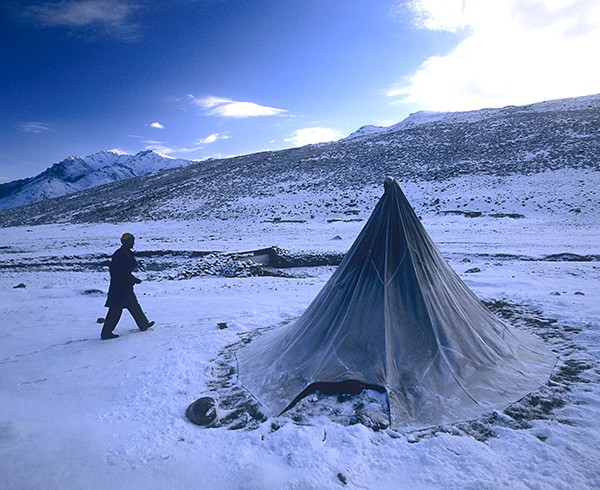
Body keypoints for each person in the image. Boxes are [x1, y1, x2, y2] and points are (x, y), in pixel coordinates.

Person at [100, 233, 154, 340]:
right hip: (120, 287)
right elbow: (122, 273)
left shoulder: (123, 253)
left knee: (133, 305)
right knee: (116, 310)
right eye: (132, 241)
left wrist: (131, 279)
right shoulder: (122, 254)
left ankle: (143, 324)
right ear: (128, 243)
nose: (133, 243)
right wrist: (132, 279)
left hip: (122, 286)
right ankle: (106, 333)